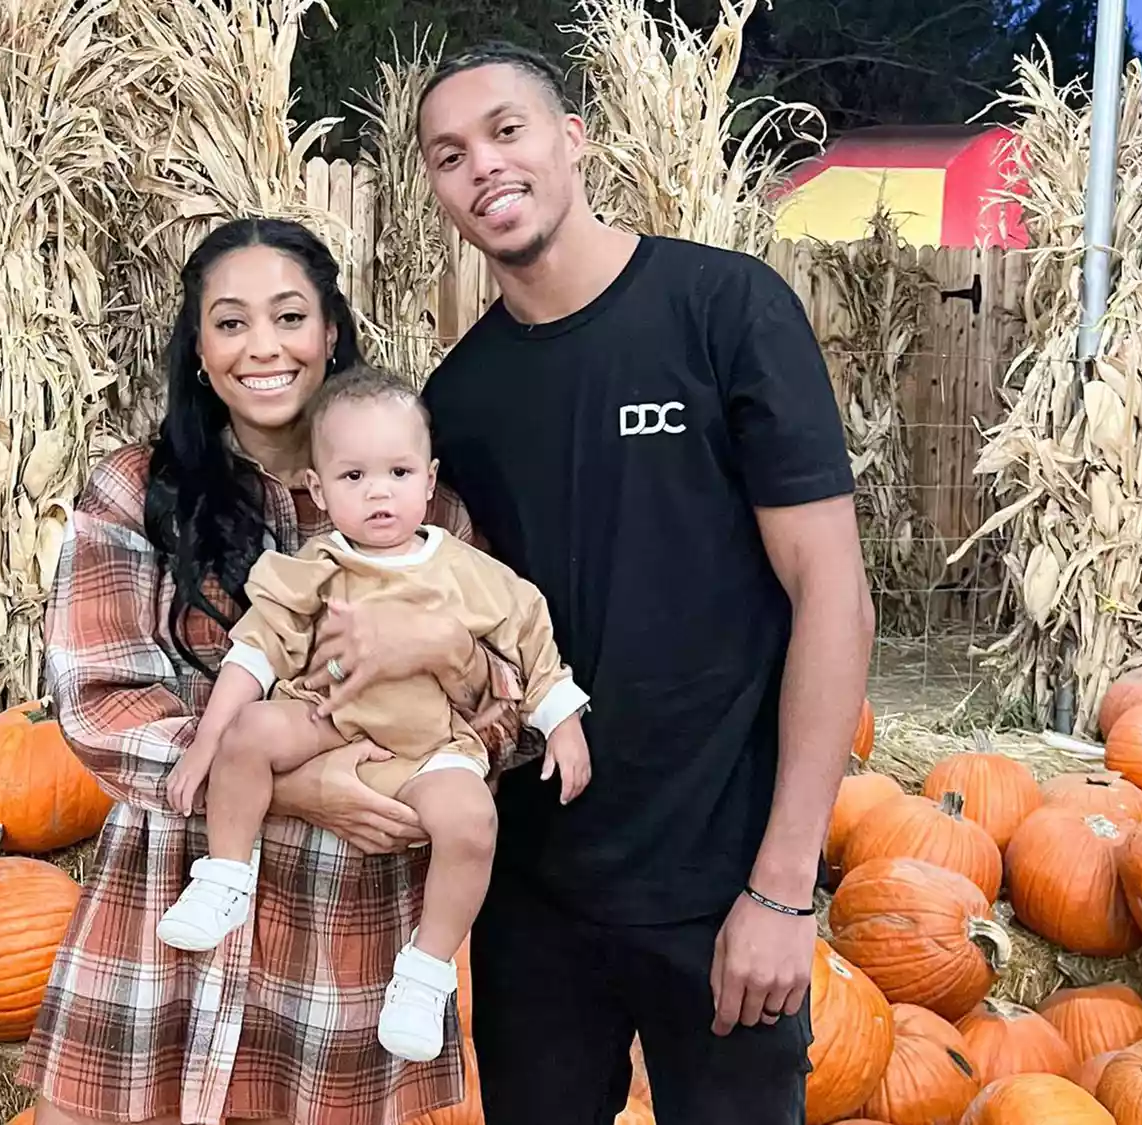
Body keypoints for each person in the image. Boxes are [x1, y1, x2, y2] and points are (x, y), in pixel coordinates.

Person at [396, 40, 876, 1125]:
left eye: (506, 132)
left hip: (720, 885)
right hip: (537, 899)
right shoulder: (458, 400)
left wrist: (781, 887)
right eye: (449, 154)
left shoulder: (724, 311)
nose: (483, 167)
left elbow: (833, 596)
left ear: (574, 140)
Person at [20, 218, 533, 1125]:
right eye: (230, 323)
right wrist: (299, 786)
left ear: (330, 332)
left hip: (343, 922)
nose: (264, 347)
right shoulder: (136, 491)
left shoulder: (428, 513)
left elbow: (509, 704)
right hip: (174, 893)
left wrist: (452, 667)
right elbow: (101, 700)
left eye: (290, 317)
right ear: (199, 348)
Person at [154, 363, 592, 1063]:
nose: (379, 491)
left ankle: (426, 970)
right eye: (354, 478)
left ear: (429, 477)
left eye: (397, 471)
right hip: (326, 721)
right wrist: (207, 743)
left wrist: (562, 721)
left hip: (426, 744)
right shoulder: (315, 566)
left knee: (473, 819)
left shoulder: (466, 571)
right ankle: (225, 877)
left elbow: (530, 636)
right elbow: (257, 650)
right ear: (319, 490)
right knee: (250, 729)